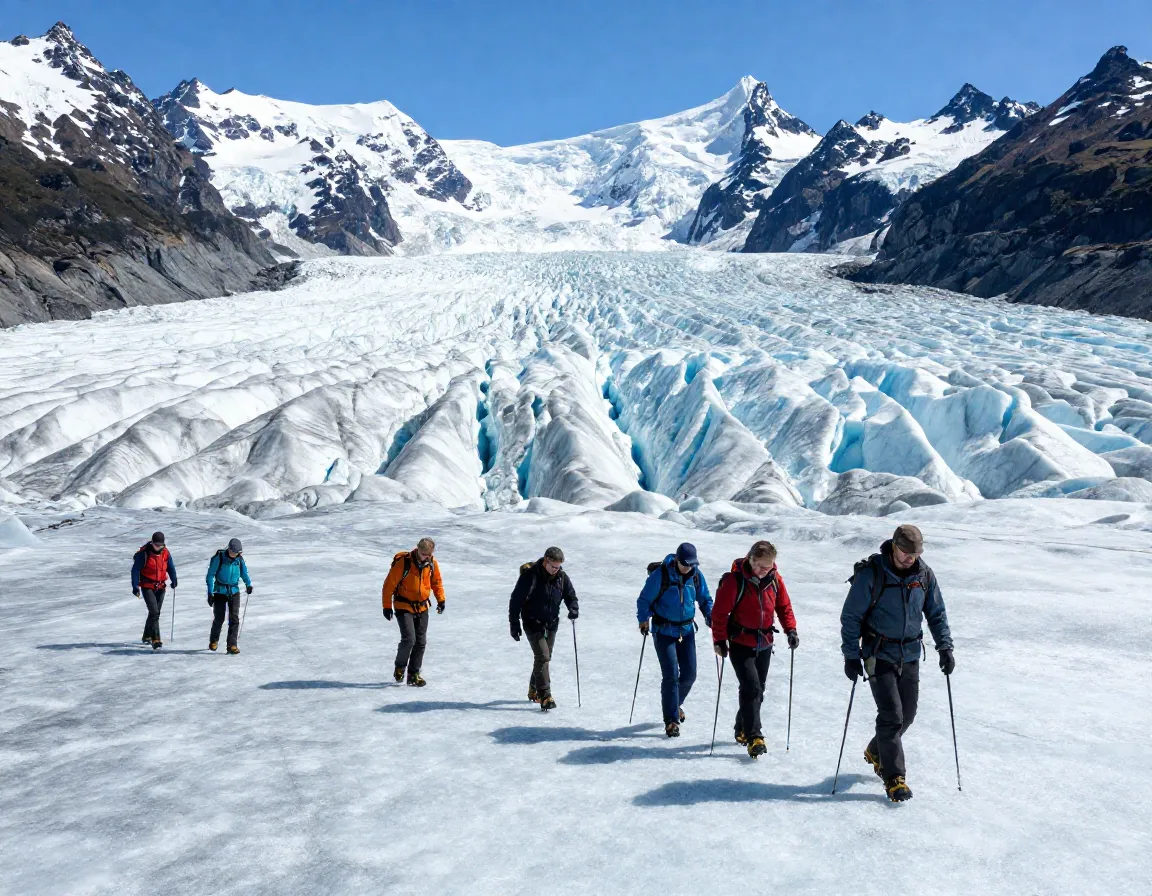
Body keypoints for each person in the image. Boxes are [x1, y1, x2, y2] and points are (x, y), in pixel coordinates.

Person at [840, 524, 954, 803]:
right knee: (891, 715)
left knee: (908, 715)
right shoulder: (872, 574)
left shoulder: (924, 575)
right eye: (905, 552)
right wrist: (851, 655)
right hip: (878, 654)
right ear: (893, 546)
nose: (910, 558)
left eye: (915, 554)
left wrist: (945, 647)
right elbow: (851, 617)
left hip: (911, 654)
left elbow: (936, 613)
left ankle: (876, 749)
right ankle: (894, 778)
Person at [711, 540, 798, 758]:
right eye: (759, 565)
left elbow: (783, 606)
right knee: (751, 687)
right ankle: (754, 736)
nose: (762, 571)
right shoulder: (735, 581)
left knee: (758, 689)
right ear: (750, 559)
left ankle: (741, 727)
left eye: (767, 567)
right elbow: (719, 614)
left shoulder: (775, 580)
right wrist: (720, 640)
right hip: (740, 642)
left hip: (765, 642)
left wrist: (791, 630)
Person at [636, 542, 713, 737]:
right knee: (670, 675)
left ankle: (675, 703)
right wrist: (643, 619)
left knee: (689, 674)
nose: (689, 567)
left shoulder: (695, 575)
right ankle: (671, 721)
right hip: (663, 631)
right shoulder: (661, 575)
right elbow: (644, 599)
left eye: (692, 564)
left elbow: (704, 598)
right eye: (685, 564)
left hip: (686, 630)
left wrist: (710, 615)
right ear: (677, 560)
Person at [508, 546, 578, 711]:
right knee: (543, 657)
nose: (555, 570)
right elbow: (515, 600)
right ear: (546, 561)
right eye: (553, 566)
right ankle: (545, 696)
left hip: (551, 622)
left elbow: (570, 595)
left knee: (545, 658)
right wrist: (514, 624)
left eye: (558, 567)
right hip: (532, 622)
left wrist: (573, 608)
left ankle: (534, 688)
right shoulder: (530, 576)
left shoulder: (562, 577)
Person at [381, 537, 445, 687]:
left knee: (421, 642)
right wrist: (386, 606)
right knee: (409, 639)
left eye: (429, 555)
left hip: (422, 607)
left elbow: (437, 582)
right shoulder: (404, 563)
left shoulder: (432, 564)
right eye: (424, 554)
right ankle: (400, 667)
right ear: (418, 550)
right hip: (403, 606)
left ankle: (413, 675)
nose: (426, 558)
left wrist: (441, 600)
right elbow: (388, 585)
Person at [206, 538, 252, 655]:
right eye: (233, 552)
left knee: (234, 618)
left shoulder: (239, 560)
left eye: (237, 553)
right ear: (229, 549)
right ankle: (214, 640)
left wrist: (248, 584)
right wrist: (210, 593)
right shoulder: (219, 558)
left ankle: (232, 645)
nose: (234, 555)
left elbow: (244, 573)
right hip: (220, 592)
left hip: (234, 591)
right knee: (219, 618)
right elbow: (210, 575)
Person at [132, 531, 177, 650]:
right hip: (147, 586)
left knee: (154, 613)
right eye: (156, 544)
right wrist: (135, 586)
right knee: (154, 612)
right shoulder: (144, 553)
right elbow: (135, 570)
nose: (158, 547)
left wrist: (174, 579)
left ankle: (146, 636)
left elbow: (171, 567)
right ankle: (156, 639)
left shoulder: (166, 553)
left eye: (160, 545)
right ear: (152, 543)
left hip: (161, 586)